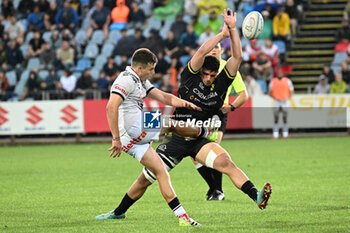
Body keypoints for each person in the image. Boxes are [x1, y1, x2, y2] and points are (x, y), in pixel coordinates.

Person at [105, 9, 272, 225]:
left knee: (226, 163)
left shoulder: (222, 84)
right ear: (199, 71)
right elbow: (203, 50)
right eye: (207, 74)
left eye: (213, 75)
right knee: (145, 180)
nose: (210, 79)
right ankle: (119, 211)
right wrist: (222, 34)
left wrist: (233, 29)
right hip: (175, 140)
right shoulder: (189, 76)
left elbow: (237, 57)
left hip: (199, 141)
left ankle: (256, 196)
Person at [95, 48, 219, 226]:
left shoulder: (140, 80)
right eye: (151, 69)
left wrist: (184, 103)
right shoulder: (126, 80)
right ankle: (205, 132)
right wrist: (115, 138)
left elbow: (163, 96)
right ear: (139, 68)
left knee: (160, 172)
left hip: (131, 140)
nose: (153, 72)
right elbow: (110, 107)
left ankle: (180, 217)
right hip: (134, 128)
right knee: (170, 123)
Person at [191, 41, 249, 201]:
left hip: (217, 114)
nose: (213, 50)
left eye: (216, 47)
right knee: (194, 155)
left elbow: (243, 94)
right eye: (211, 47)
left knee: (214, 151)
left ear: (221, 50)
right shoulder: (201, 67)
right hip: (200, 114)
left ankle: (218, 190)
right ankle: (213, 188)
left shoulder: (228, 68)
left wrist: (231, 107)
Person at [268, 69, 294, 139]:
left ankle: (285, 134)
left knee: (285, 118)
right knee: (276, 118)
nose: (280, 74)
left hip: (285, 101)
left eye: (281, 73)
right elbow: (269, 92)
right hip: (276, 101)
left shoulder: (288, 81)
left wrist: (287, 97)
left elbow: (291, 91)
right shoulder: (273, 81)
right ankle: (275, 134)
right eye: (278, 73)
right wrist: (275, 97)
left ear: (283, 73)